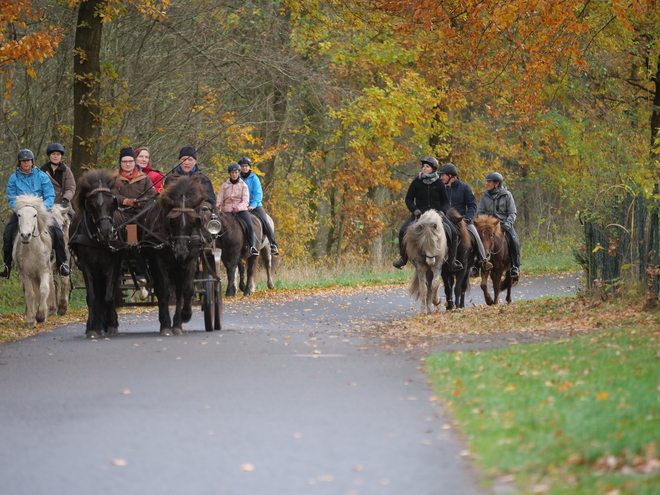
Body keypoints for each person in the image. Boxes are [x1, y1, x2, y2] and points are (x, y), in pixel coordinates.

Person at [1, 149, 71, 278]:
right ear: (19, 163)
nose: (26, 163)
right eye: (23, 161)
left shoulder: (42, 176)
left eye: (28, 161)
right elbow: (11, 197)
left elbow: (50, 194)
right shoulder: (13, 178)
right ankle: (7, 265)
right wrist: (19, 209)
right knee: (7, 234)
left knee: (58, 232)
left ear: (32, 162)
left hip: (41, 213)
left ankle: (62, 264)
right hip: (22, 213)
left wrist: (42, 209)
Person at [393, 156, 454, 269]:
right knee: (402, 231)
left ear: (433, 169)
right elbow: (409, 199)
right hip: (419, 215)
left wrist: (442, 212)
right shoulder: (416, 182)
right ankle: (403, 258)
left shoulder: (439, 183)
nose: (424, 168)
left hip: (436, 216)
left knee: (453, 232)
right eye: (423, 166)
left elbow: (446, 201)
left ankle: (452, 261)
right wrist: (414, 210)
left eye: (427, 166)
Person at [439, 163, 493, 275]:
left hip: (462, 220)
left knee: (476, 235)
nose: (441, 177)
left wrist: (468, 217)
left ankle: (482, 259)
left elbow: (472, 205)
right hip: (444, 219)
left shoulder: (464, 187)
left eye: (443, 175)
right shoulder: (440, 188)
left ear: (451, 176)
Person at [477, 172, 520, 277]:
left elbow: (512, 213)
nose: (487, 184)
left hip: (504, 224)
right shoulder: (485, 195)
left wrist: (506, 225)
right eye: (487, 182)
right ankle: (475, 265)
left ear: (497, 184)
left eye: (489, 182)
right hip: (489, 226)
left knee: (514, 240)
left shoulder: (507, 195)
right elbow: (480, 211)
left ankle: (515, 266)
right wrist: (484, 222)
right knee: (476, 239)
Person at [237, 156, 279, 255]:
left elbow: (258, 194)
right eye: (242, 166)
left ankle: (273, 244)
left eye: (246, 166)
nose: (244, 168)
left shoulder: (254, 178)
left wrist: (253, 205)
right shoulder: (237, 178)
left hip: (254, 205)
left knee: (265, 221)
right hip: (240, 206)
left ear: (249, 167)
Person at [217, 163, 259, 256]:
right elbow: (220, 198)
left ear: (239, 173)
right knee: (215, 223)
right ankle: (216, 244)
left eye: (236, 172)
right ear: (229, 173)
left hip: (241, 211)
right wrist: (218, 205)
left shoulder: (243, 185)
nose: (234, 174)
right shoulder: (225, 185)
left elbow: (245, 200)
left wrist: (238, 207)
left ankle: (252, 246)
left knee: (249, 225)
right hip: (227, 211)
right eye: (232, 172)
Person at [112, 147, 156, 212]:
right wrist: (125, 201)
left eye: (130, 161)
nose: (127, 164)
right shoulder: (113, 178)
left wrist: (139, 203)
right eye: (124, 161)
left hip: (141, 213)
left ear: (134, 162)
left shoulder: (144, 177)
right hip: (119, 213)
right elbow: (112, 195)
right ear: (120, 162)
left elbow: (151, 194)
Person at [40, 143, 76, 209]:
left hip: (62, 204)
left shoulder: (66, 170)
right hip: (46, 204)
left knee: (74, 217)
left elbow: (71, 188)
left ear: (61, 156)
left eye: (58, 154)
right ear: (49, 156)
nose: (55, 156)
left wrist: (66, 199)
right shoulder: (42, 171)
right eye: (53, 154)